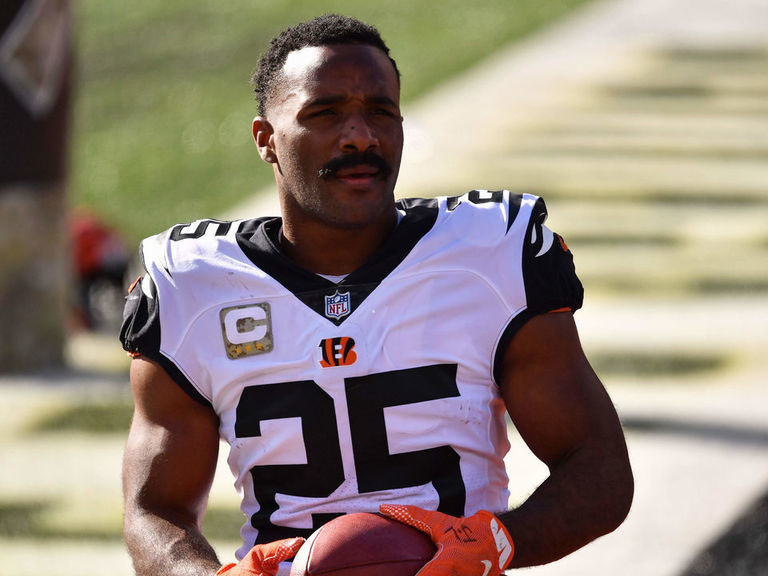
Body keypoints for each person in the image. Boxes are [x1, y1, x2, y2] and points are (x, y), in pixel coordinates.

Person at [120, 14, 633, 576]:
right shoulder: (192, 288)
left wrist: (494, 543)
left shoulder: (490, 258)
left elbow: (598, 469)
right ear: (266, 140)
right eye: (326, 113)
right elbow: (154, 508)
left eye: (381, 113)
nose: (361, 136)